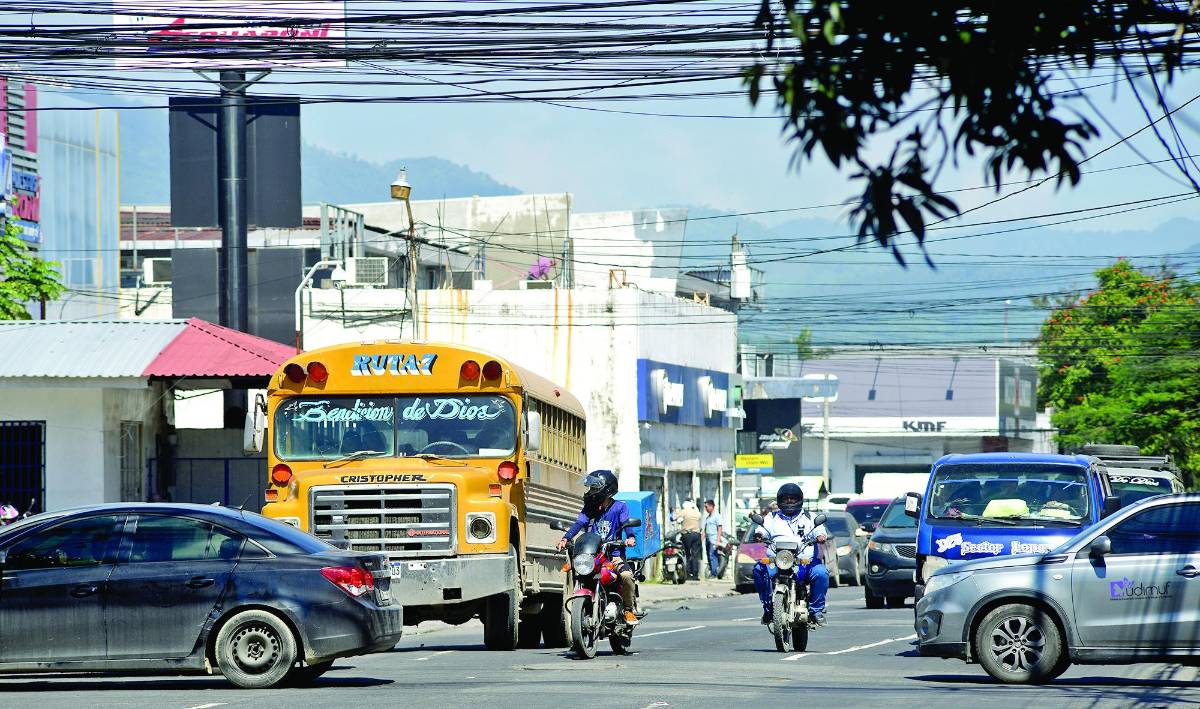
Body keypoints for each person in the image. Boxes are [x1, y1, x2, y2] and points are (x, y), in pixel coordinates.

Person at [556, 470, 640, 625]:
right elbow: (579, 523)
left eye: (594, 488)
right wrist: (566, 538)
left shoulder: (620, 507)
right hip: (594, 555)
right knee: (577, 571)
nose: (591, 492)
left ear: (606, 490)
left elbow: (625, 523)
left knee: (627, 576)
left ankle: (628, 609)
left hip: (613, 555)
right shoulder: (590, 507)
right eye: (591, 488)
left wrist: (630, 537)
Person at [752, 483, 830, 626]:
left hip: (803, 562)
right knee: (758, 569)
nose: (789, 501)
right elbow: (761, 529)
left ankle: (816, 610)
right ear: (780, 500)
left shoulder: (809, 517)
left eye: (792, 498)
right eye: (786, 498)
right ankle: (768, 607)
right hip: (777, 560)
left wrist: (820, 536)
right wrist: (758, 534)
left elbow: (820, 530)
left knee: (821, 573)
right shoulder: (772, 517)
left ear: (799, 499)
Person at [674, 500, 703, 580]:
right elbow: (699, 517)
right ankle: (695, 575)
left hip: (687, 534)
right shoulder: (696, 512)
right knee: (695, 555)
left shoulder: (684, 511)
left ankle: (687, 573)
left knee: (686, 554)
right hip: (697, 534)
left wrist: (673, 512)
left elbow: (674, 517)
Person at [703, 499, 723, 578]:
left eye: (706, 507)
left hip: (713, 539)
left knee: (712, 555)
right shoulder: (708, 517)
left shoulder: (717, 516)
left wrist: (717, 541)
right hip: (708, 539)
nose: (706, 509)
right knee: (708, 555)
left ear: (711, 506)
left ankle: (714, 573)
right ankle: (712, 571)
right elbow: (705, 529)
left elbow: (720, 528)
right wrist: (702, 538)